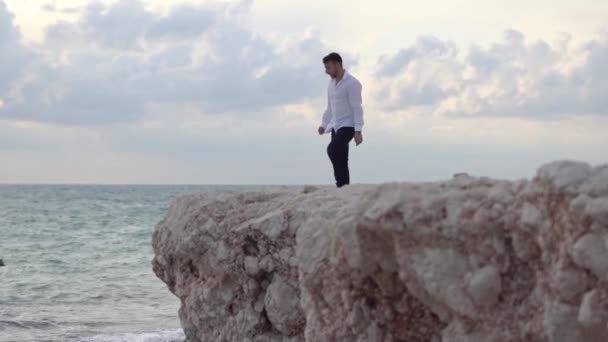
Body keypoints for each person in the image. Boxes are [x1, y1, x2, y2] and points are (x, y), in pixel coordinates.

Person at [318, 52, 364, 188]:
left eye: (328, 68)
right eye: (325, 68)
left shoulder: (353, 83)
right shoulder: (331, 84)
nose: (326, 71)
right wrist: (323, 124)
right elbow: (329, 107)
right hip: (335, 125)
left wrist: (358, 131)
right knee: (342, 158)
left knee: (332, 150)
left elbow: (357, 108)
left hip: (349, 125)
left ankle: (340, 183)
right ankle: (344, 187)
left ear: (338, 64)